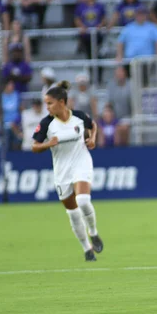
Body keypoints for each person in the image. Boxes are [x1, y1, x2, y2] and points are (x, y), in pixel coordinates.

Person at [32, 81, 104, 262]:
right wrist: (48, 144)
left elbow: (93, 125)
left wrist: (93, 139)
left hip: (81, 161)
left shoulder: (79, 117)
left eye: (49, 103)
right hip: (62, 170)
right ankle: (87, 248)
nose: (46, 107)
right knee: (73, 213)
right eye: (46, 103)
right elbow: (34, 146)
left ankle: (94, 233)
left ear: (62, 102)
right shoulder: (47, 124)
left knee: (83, 200)